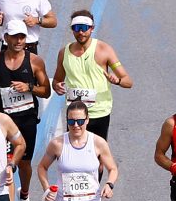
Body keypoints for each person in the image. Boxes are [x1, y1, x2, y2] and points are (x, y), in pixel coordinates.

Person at [0, 23, 50, 201]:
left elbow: (45, 90)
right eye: (14, 37)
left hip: (26, 118)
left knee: (24, 163)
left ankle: (25, 196)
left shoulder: (35, 62)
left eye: (22, 37)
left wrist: (28, 87)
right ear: (6, 37)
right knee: (5, 163)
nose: (19, 41)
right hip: (2, 120)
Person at [52, 10, 132, 138]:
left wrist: (117, 81)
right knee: (75, 152)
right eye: (76, 28)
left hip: (99, 112)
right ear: (72, 29)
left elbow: (128, 82)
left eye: (84, 28)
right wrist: (56, 86)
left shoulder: (104, 50)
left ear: (92, 28)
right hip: (75, 113)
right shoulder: (64, 52)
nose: (80, 32)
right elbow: (57, 80)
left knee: (98, 153)